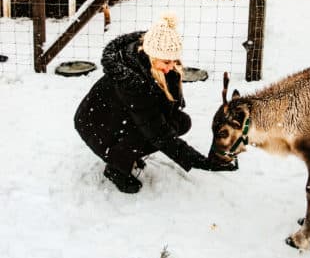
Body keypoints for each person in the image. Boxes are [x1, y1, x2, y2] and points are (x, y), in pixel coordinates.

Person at [74, 12, 237, 193]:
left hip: (117, 115)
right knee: (149, 134)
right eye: (166, 61)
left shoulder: (156, 65)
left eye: (174, 60)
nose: (171, 66)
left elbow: (166, 112)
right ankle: (116, 167)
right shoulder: (132, 82)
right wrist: (200, 161)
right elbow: (158, 133)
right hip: (96, 125)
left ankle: (125, 152)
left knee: (180, 122)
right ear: (151, 56)